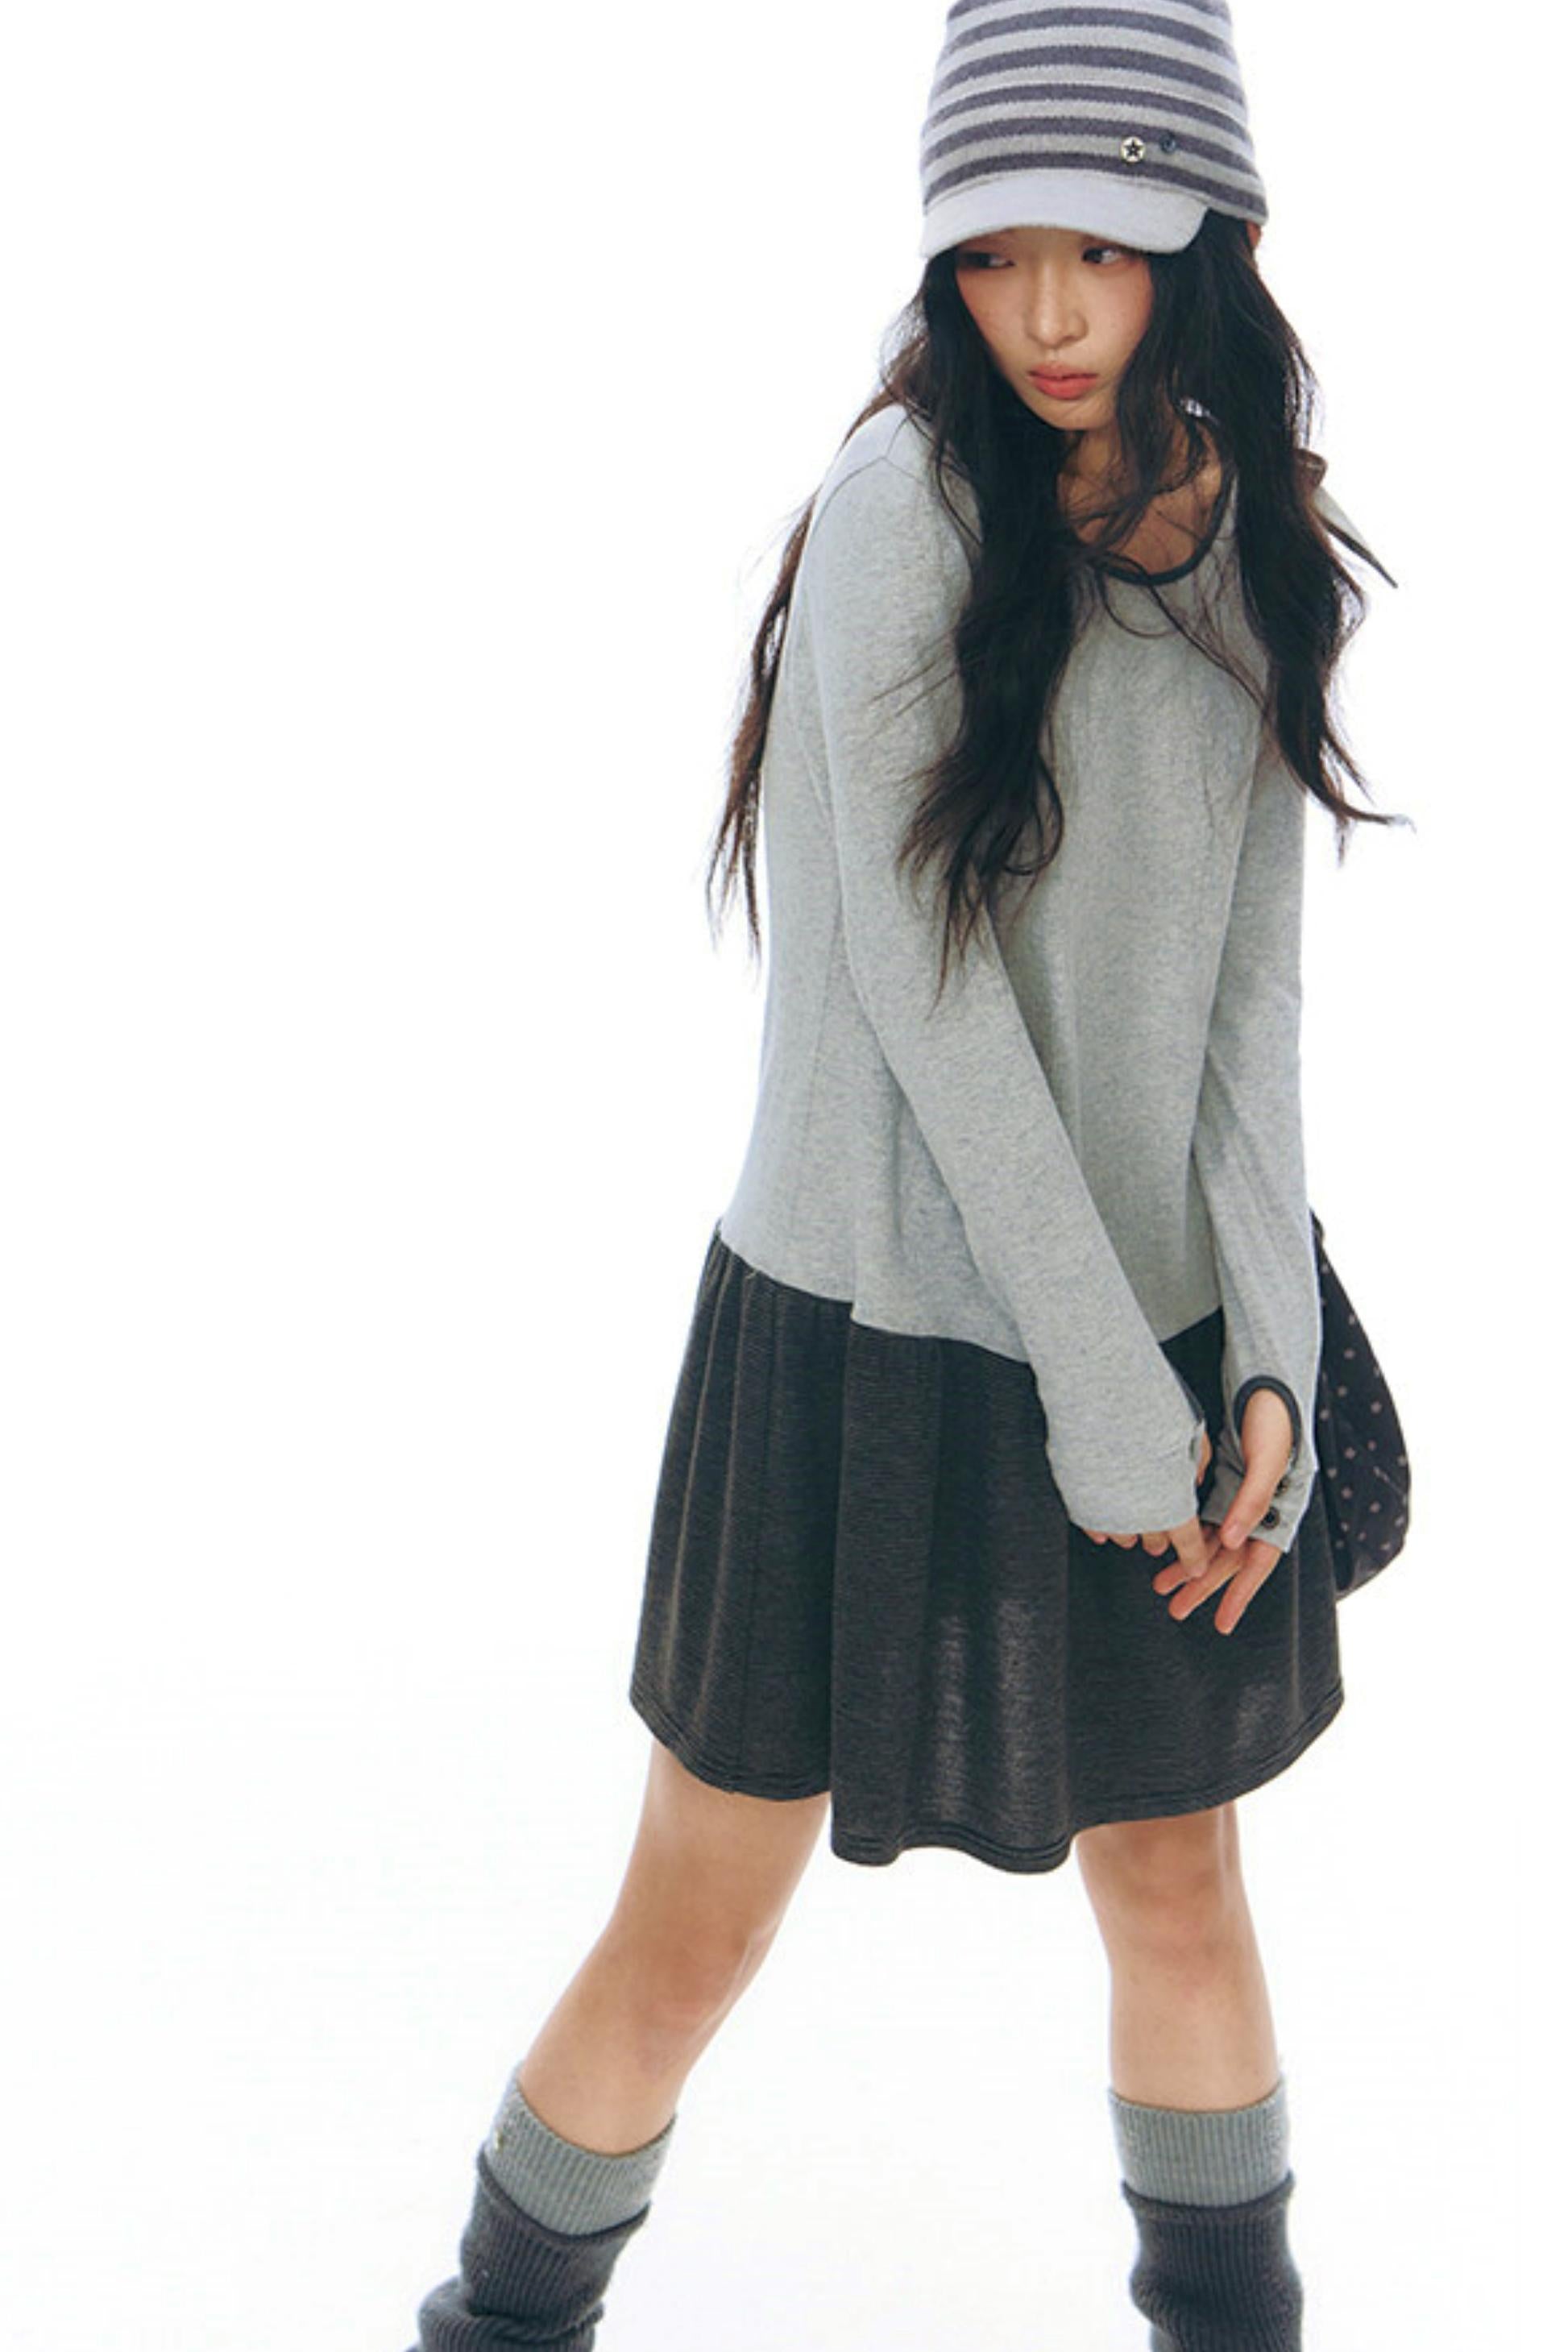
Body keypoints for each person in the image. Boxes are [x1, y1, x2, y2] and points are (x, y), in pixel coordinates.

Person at [405, 4, 1404, 2346]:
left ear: (1203, 237)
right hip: (864, 1322)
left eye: (1102, 249)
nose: (1044, 310)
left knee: (1179, 1876)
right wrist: (1104, 1403)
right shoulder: (900, 517)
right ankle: (495, 2324)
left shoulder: (1251, 539)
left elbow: (1249, 1000)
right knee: (701, 1908)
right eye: (991, 252)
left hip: (1166, 1329)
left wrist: (1259, 1350)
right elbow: (935, 1012)